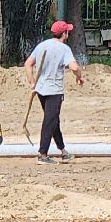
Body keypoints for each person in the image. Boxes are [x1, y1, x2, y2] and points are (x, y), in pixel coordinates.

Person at [25, 20, 84, 164]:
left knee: (53, 119)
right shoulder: (64, 49)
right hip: (54, 91)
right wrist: (79, 77)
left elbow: (28, 64)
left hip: (41, 90)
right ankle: (43, 154)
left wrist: (33, 82)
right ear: (64, 34)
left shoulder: (42, 46)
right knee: (50, 120)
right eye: (67, 32)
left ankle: (63, 150)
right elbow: (74, 67)